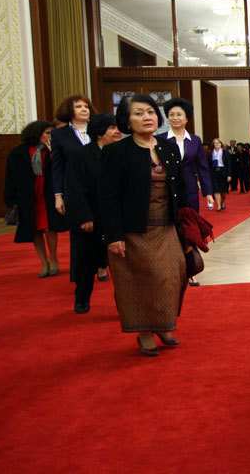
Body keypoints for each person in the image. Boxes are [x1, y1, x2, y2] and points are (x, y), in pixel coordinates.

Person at [99, 94, 187, 357]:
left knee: (172, 277)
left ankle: (163, 324)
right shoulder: (116, 152)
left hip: (166, 226)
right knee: (142, 281)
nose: (146, 117)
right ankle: (145, 332)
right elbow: (108, 196)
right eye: (138, 113)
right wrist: (113, 236)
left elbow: (178, 187)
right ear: (126, 120)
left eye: (150, 112)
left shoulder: (167, 147)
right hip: (134, 229)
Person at [65, 114, 122, 313]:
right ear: (99, 133)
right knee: (86, 261)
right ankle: (81, 297)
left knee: (122, 266)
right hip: (91, 217)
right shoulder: (80, 155)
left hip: (117, 217)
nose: (118, 132)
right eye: (112, 128)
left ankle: (126, 304)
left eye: (118, 128)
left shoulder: (121, 153)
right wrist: (84, 217)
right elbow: (75, 188)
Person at [157, 98, 214, 286]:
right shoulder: (161, 140)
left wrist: (208, 193)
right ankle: (172, 267)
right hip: (167, 191)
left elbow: (203, 168)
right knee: (170, 229)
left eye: (178, 114)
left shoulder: (195, 140)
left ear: (186, 118)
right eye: (171, 115)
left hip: (189, 191)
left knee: (189, 230)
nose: (174, 118)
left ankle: (190, 270)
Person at [3, 120, 61, 277]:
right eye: (48, 133)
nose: (51, 136)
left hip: (47, 195)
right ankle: (44, 263)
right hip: (28, 197)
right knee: (35, 230)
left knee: (50, 228)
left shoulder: (53, 150)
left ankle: (54, 259)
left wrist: (52, 153)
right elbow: (11, 177)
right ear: (36, 134)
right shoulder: (18, 153)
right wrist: (11, 199)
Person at [50, 95, 98, 280]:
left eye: (86, 106)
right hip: (74, 190)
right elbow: (58, 168)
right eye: (79, 106)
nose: (84, 109)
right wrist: (58, 195)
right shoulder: (59, 135)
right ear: (69, 111)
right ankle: (80, 275)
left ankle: (102, 265)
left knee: (101, 229)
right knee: (79, 234)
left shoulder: (97, 130)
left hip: (99, 188)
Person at [208, 138, 231, 211]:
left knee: (224, 191)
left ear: (221, 144)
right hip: (214, 172)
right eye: (215, 143)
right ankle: (218, 205)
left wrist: (229, 175)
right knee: (216, 189)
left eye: (218, 143)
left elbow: (229, 164)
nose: (217, 144)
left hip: (223, 172)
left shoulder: (225, 153)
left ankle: (222, 201)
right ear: (213, 145)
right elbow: (208, 165)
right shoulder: (210, 154)